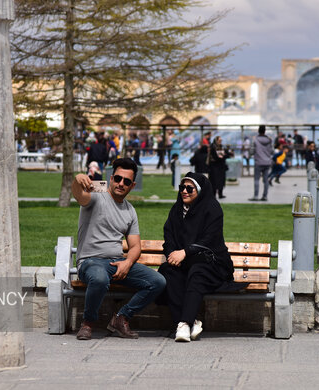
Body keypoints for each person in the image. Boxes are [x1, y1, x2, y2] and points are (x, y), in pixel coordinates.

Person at [72, 158, 166, 340]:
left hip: (116, 263)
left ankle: (121, 318)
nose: (121, 183)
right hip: (90, 262)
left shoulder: (130, 211)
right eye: (117, 178)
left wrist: (128, 263)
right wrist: (78, 180)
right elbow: (79, 195)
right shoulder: (96, 197)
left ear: (133, 185)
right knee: (99, 279)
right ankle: (88, 323)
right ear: (111, 177)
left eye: (127, 181)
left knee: (158, 281)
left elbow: (135, 246)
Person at [157, 172, 234, 342]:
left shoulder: (212, 208)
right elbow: (168, 236)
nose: (184, 191)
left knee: (197, 272)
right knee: (170, 272)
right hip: (184, 263)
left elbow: (209, 240)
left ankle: (184, 322)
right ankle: (190, 322)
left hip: (211, 262)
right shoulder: (176, 210)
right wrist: (171, 255)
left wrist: (184, 252)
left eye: (189, 188)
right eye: (182, 187)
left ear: (199, 191)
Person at [249, 125, 273, 201]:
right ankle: (265, 196)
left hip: (258, 162)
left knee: (256, 180)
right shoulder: (269, 140)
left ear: (258, 131)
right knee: (266, 180)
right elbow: (272, 151)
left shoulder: (255, 140)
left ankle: (256, 196)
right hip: (267, 162)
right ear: (265, 131)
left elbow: (252, 151)